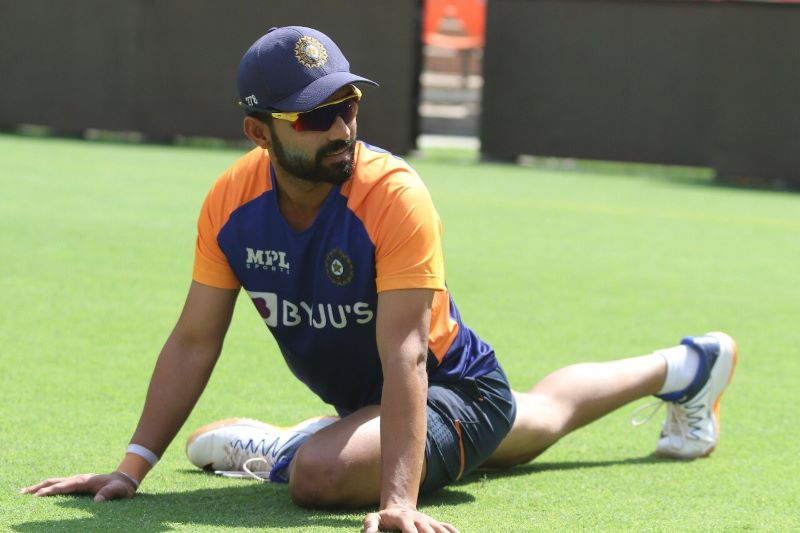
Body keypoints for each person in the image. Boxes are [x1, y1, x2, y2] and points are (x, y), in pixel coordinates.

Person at [21, 26, 738, 533]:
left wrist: (398, 499)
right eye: (315, 116)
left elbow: (406, 353)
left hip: (452, 385)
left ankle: (295, 448)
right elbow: (193, 339)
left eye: (348, 105)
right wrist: (131, 468)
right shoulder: (230, 205)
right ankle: (688, 365)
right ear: (260, 133)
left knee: (320, 476)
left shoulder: (393, 194)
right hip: (382, 402)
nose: (342, 127)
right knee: (547, 414)